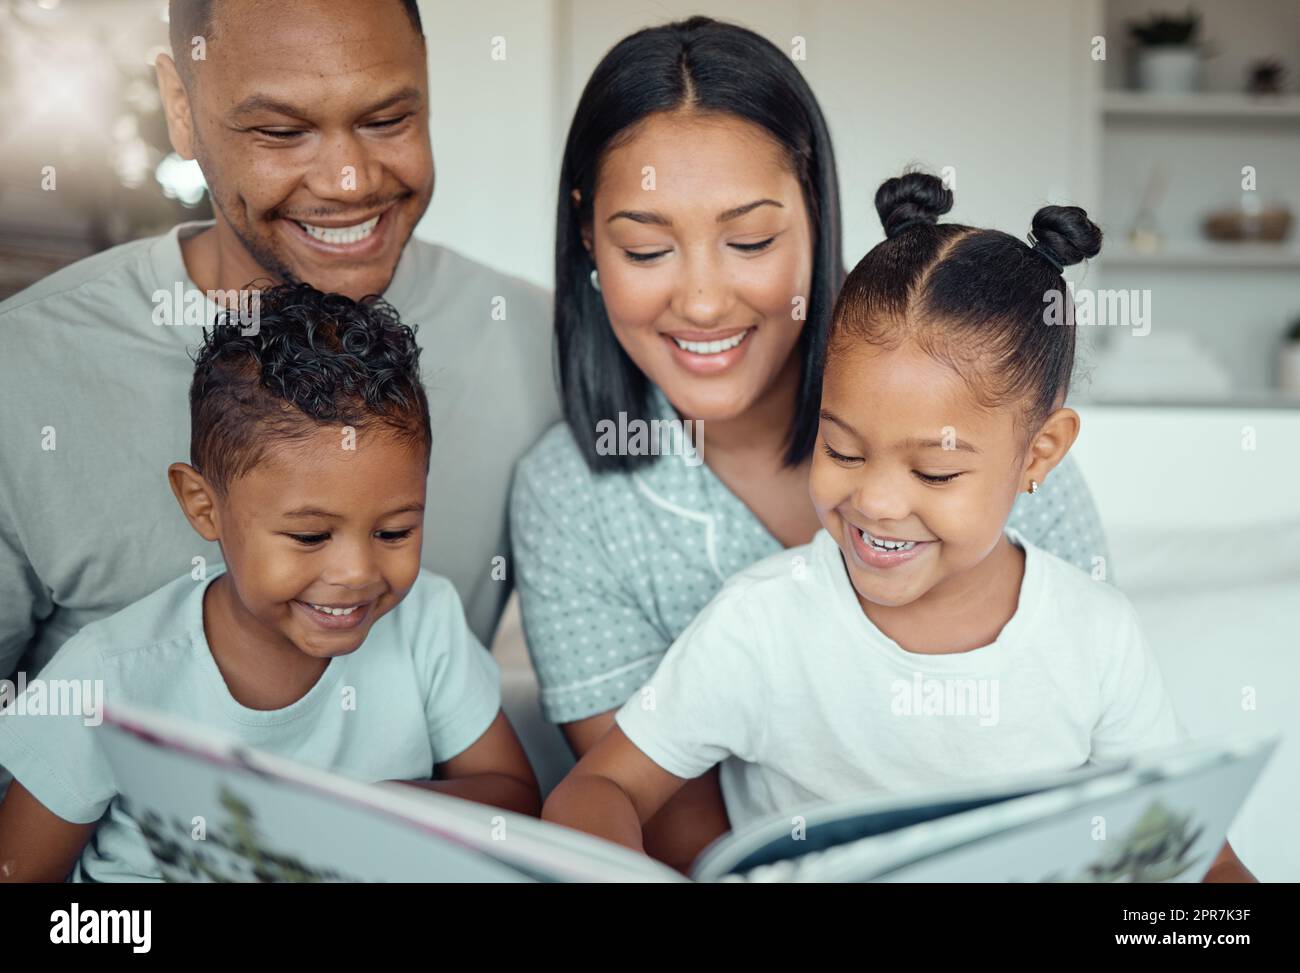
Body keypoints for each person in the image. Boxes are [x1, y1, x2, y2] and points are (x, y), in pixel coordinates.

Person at [510, 17, 1110, 870]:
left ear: (817, 215)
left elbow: (1114, 787)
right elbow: (679, 827)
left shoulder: (990, 432)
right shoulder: (575, 502)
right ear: (587, 235)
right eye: (646, 247)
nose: (706, 301)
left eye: (750, 240)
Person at [539, 172, 1254, 883]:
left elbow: (1197, 853)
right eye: (841, 449)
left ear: (1040, 453)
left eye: (934, 472)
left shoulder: (1096, 635)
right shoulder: (760, 625)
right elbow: (598, 790)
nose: (876, 502)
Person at [0, 0, 555, 705]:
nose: (349, 181)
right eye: (282, 131)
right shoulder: (23, 369)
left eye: (388, 119)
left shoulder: (537, 343)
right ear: (181, 108)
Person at [0, 283, 539, 882]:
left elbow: (515, 800)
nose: (357, 574)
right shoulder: (109, 675)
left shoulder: (426, 623)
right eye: (310, 538)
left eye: (393, 533)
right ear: (203, 507)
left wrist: (374, 814)